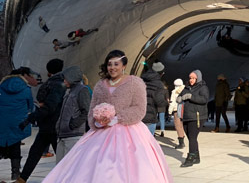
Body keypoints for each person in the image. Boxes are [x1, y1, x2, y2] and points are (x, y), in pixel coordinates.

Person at [42, 49, 173, 182]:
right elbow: (92, 108)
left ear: (124, 65)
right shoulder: (101, 84)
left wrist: (116, 118)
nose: (112, 67)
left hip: (129, 132)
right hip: (102, 132)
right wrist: (97, 120)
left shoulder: (135, 82)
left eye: (116, 64)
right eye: (110, 64)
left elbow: (139, 109)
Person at [17, 59, 66, 183]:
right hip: (55, 125)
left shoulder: (50, 84)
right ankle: (22, 178)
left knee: (35, 153)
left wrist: (32, 118)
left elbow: (47, 105)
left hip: (47, 124)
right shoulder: (62, 84)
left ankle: (22, 178)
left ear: (49, 71)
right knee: (59, 156)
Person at [0, 67, 36, 181]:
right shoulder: (26, 89)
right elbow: (31, 106)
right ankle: (15, 173)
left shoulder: (1, 87)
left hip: (1, 121)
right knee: (15, 146)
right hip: (18, 122)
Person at [55, 66, 91, 162]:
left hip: (73, 135)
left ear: (72, 78)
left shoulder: (82, 90)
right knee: (59, 168)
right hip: (63, 134)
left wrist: (73, 124)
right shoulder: (69, 91)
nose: (64, 81)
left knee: (68, 167)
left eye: (66, 79)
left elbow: (86, 110)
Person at [177, 69, 209, 167]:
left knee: (192, 137)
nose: (191, 80)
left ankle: (190, 157)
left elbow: (204, 99)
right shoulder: (187, 87)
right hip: (186, 116)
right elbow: (180, 96)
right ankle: (196, 156)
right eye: (190, 78)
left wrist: (191, 97)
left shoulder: (203, 87)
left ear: (198, 78)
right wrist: (179, 98)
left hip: (197, 116)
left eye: (193, 78)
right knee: (191, 137)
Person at [141, 62, 168, 136]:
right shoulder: (159, 84)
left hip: (140, 114)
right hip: (151, 115)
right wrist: (166, 102)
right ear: (161, 73)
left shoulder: (142, 79)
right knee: (149, 141)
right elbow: (159, 101)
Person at [168, 78, 186, 149]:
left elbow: (172, 103)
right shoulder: (185, 90)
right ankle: (182, 139)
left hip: (177, 110)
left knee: (178, 125)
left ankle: (181, 143)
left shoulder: (174, 91)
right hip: (184, 109)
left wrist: (169, 111)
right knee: (182, 125)